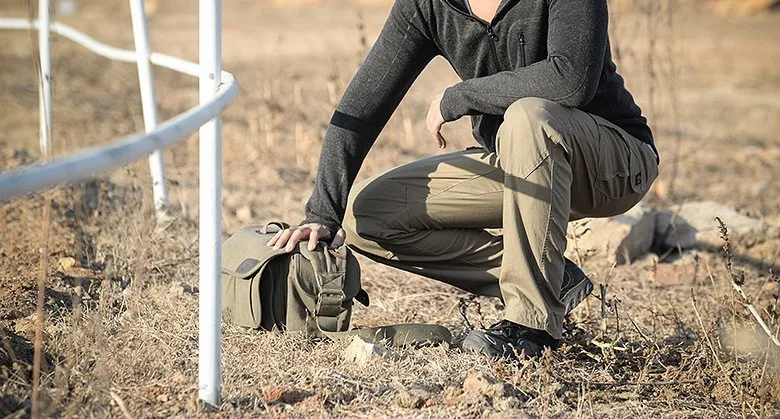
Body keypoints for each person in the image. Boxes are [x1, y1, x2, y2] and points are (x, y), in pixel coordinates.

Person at [267, 0, 659, 359]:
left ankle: (531, 327)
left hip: (614, 164)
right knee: (367, 215)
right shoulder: (428, 5)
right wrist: (322, 212)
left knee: (527, 117)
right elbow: (362, 106)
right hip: (518, 160)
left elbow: (569, 79)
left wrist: (460, 96)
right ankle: (553, 280)